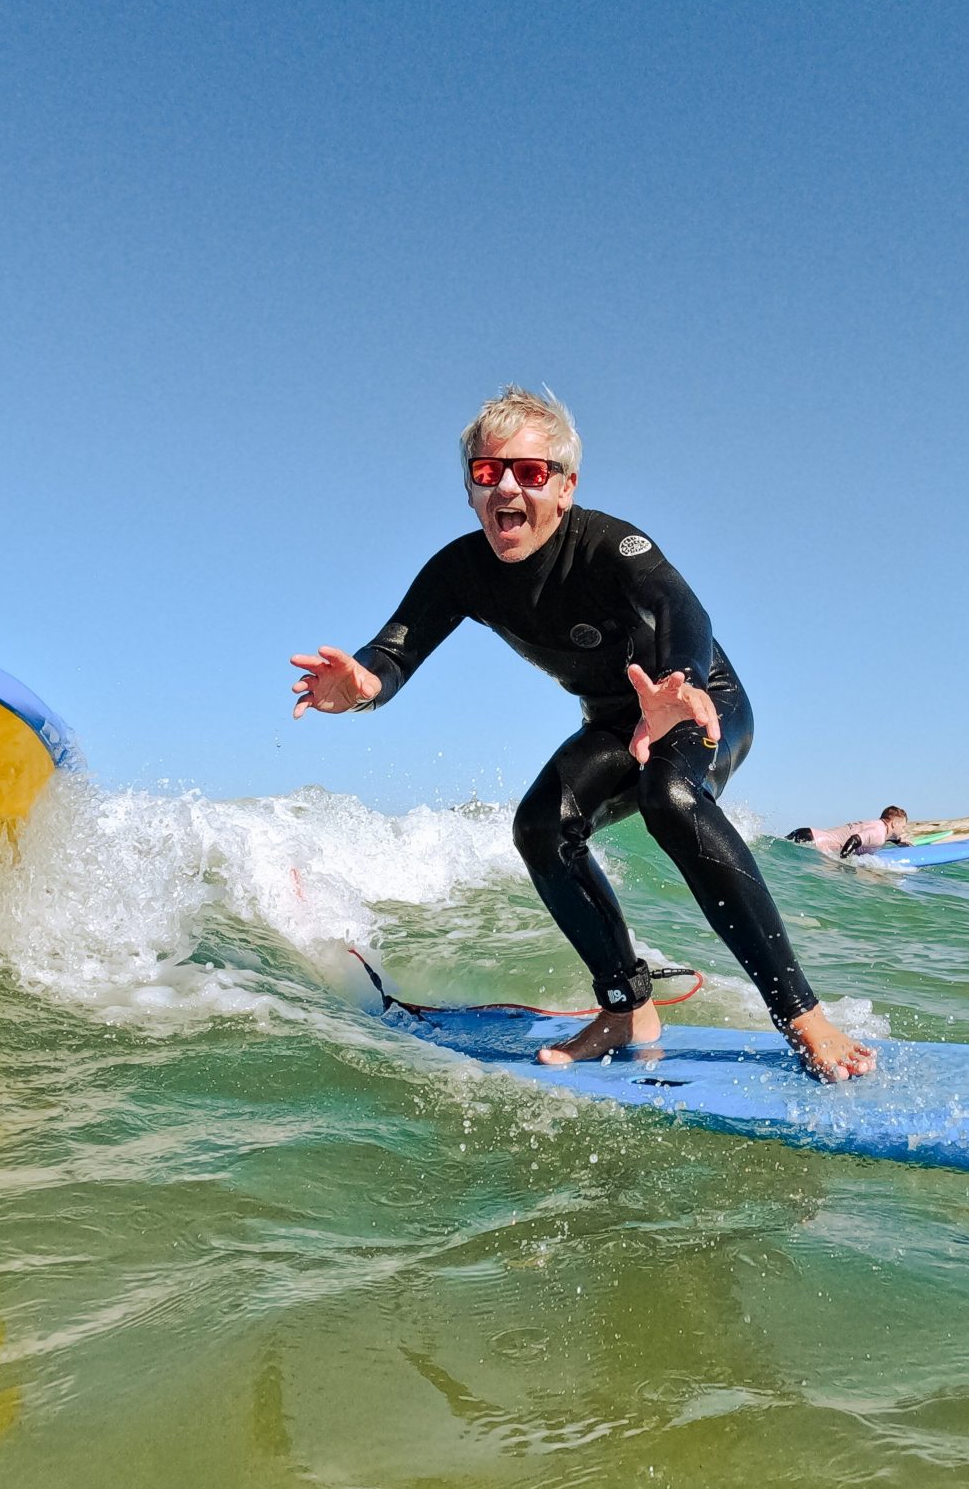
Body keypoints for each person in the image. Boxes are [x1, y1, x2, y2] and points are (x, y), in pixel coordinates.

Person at [289, 386, 876, 1082]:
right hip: (616, 722)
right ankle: (628, 1007)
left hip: (698, 703)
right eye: (487, 472)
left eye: (531, 473)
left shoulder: (608, 545)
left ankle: (803, 1015)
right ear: (472, 491)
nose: (507, 486)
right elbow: (392, 655)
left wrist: (681, 682)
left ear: (564, 488)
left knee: (672, 797)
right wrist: (362, 690)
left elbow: (680, 607)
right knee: (540, 827)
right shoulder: (461, 570)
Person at [786, 807, 915, 861]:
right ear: (893, 824)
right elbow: (855, 839)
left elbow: (868, 839)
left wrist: (897, 841)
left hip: (807, 834)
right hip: (813, 840)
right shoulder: (879, 834)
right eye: (902, 826)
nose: (903, 830)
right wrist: (844, 861)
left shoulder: (877, 826)